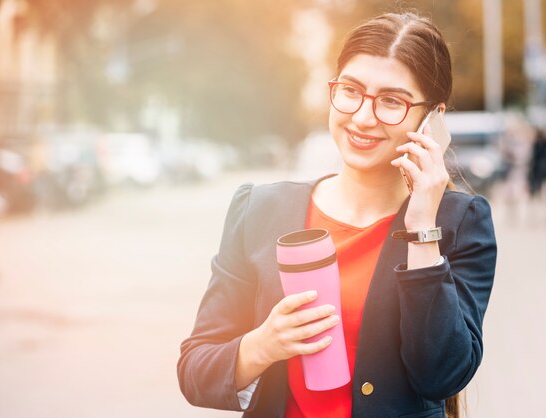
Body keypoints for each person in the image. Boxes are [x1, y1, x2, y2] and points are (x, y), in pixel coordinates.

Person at [177, 11, 497, 418]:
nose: (363, 117)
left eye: (391, 101)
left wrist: (421, 231)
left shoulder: (459, 222)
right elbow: (195, 369)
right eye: (351, 90)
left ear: (432, 117)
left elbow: (441, 375)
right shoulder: (258, 210)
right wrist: (263, 345)